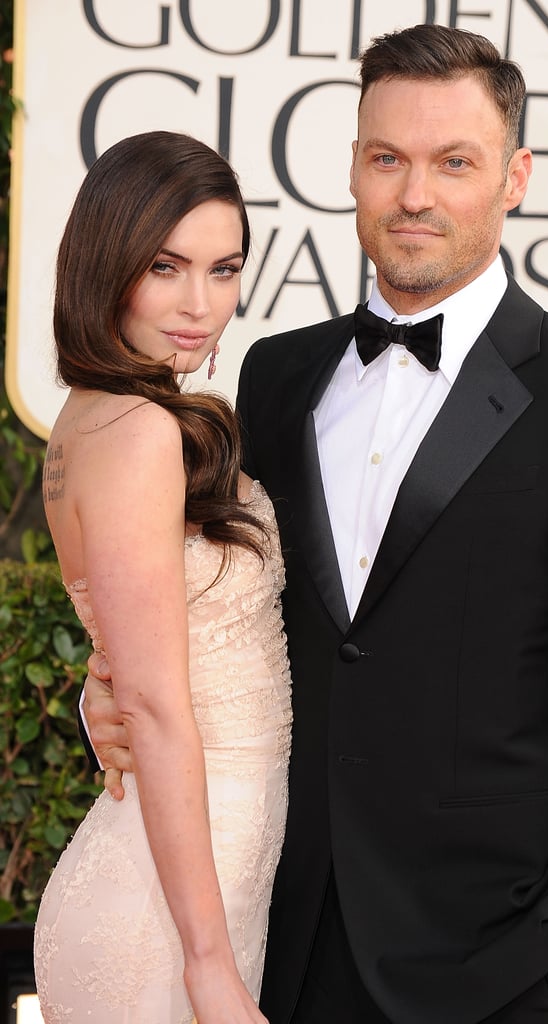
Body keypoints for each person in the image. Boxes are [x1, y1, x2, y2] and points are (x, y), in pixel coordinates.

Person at [83, 26, 548, 1024]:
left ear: (514, 177)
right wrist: (101, 701)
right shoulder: (276, 378)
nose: (415, 195)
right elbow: (226, 623)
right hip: (284, 941)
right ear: (355, 171)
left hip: (498, 967)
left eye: (454, 162)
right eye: (388, 159)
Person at [34, 130, 292, 1024]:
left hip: (186, 880)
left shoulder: (93, 417)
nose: (200, 304)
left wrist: (91, 697)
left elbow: (125, 650)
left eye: (225, 270)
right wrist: (209, 965)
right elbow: (152, 703)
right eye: (166, 266)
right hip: (168, 918)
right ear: (109, 263)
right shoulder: (141, 432)